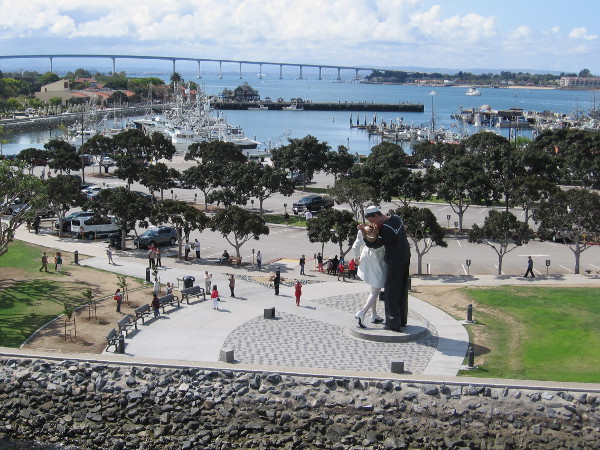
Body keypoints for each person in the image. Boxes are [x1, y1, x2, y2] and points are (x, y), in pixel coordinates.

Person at [359, 205, 411, 332]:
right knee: (402, 290)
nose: (372, 223)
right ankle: (402, 320)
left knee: (391, 292)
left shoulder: (387, 229)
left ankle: (393, 322)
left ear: (376, 215)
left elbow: (374, 244)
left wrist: (364, 233)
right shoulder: (396, 218)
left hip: (395, 262)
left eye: (372, 220)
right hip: (405, 257)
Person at [351, 227, 386, 328]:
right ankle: (362, 312)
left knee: (373, 289)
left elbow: (355, 246)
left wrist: (356, 258)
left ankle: (374, 314)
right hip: (377, 261)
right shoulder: (382, 231)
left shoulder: (364, 231)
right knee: (376, 289)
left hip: (366, 258)